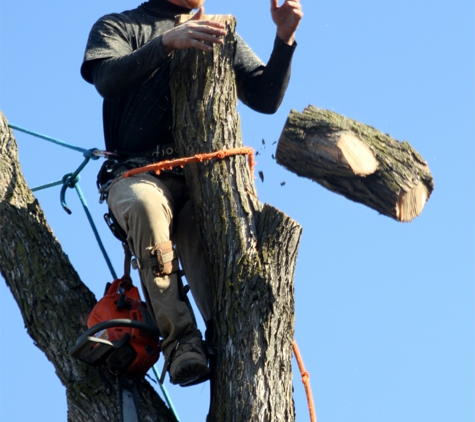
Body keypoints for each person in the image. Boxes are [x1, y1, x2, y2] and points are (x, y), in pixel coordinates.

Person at [80, 0, 303, 387]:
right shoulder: (120, 26)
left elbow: (264, 97)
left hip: (200, 175)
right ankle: (181, 343)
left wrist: (284, 39)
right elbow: (107, 80)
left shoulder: (218, 30)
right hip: (138, 174)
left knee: (205, 227)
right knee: (147, 208)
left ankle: (228, 335)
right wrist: (167, 43)